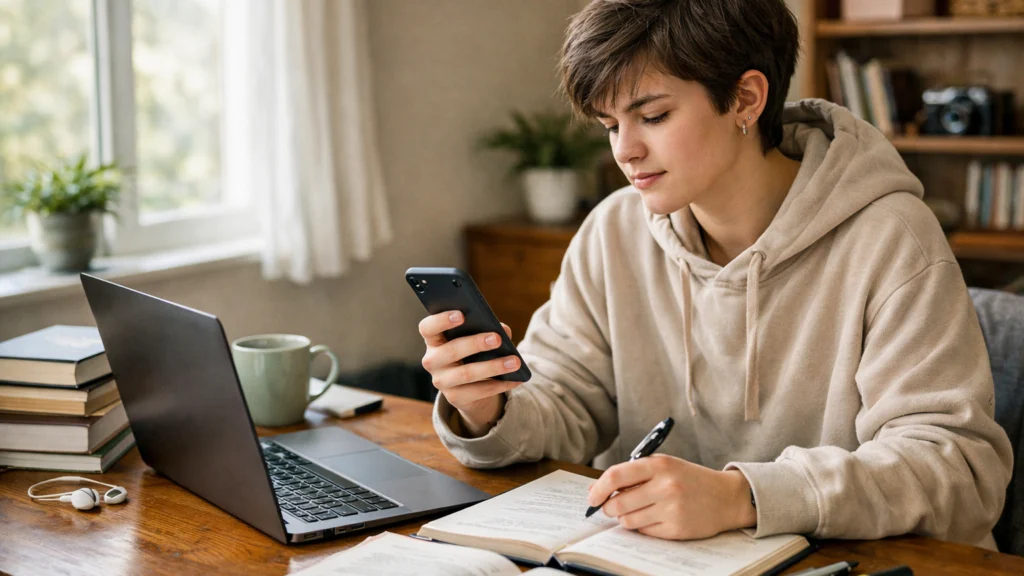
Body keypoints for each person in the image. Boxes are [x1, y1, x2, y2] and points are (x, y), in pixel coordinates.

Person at [417, 0, 1013, 548]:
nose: (624, 150)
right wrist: (487, 407)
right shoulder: (613, 230)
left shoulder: (891, 237)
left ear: (747, 100)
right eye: (609, 125)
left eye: (652, 115)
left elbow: (954, 467)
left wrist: (742, 497)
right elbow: (567, 400)